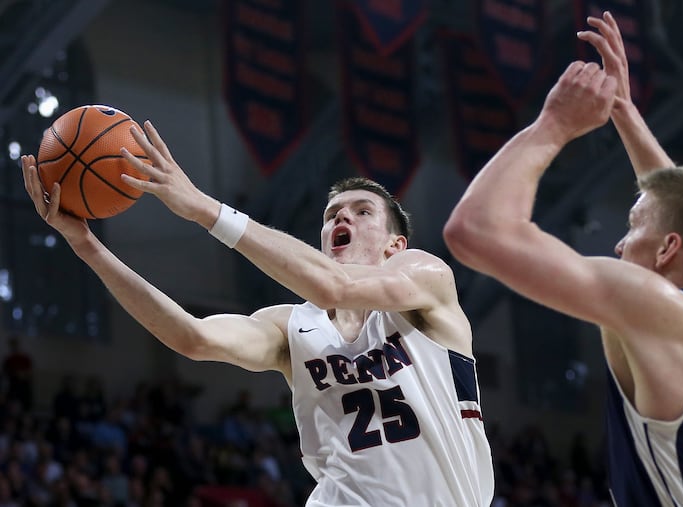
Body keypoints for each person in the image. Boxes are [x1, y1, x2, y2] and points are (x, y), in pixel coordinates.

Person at [21, 127, 494, 504]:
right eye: (332, 215)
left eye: (362, 211)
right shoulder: (292, 325)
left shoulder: (426, 278)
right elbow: (192, 338)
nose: (341, 220)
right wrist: (86, 246)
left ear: (395, 245)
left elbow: (336, 285)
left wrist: (205, 209)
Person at [444, 10, 683, 507]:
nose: (618, 244)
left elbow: (475, 231)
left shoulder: (664, 311)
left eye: (632, 227)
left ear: (668, 249)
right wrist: (625, 111)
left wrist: (553, 125)